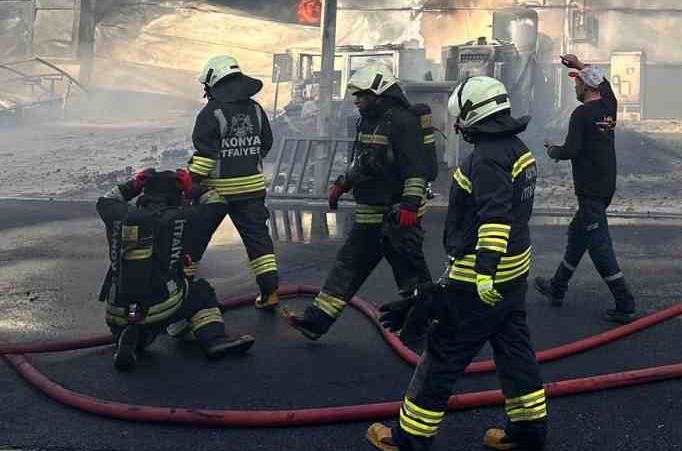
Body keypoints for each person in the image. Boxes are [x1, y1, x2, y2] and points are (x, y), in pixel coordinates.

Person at [367, 74, 546, 451]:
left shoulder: (485, 158)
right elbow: (507, 210)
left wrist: (482, 274)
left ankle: (409, 438)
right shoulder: (517, 149)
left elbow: (495, 217)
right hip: (514, 275)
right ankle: (529, 431)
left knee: (443, 355)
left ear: (470, 114)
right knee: (515, 353)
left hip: (481, 280)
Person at [284, 62, 434, 340]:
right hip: (369, 211)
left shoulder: (403, 122)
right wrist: (344, 183)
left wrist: (411, 206)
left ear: (379, 93)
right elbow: (364, 161)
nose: (356, 100)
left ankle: (428, 326)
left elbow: (417, 169)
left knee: (410, 276)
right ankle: (317, 321)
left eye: (361, 95)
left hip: (397, 215)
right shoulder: (368, 120)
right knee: (349, 265)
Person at [96, 168, 256, 370]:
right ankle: (215, 339)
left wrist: (133, 185)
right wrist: (193, 189)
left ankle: (131, 338)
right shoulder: (185, 216)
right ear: (177, 195)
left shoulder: (120, 214)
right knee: (201, 291)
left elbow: (104, 200)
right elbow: (218, 205)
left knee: (155, 310)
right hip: (161, 307)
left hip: (116, 314)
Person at [533, 54, 637, 323]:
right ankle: (557, 287)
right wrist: (579, 65)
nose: (575, 87)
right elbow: (606, 86)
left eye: (577, 82)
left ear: (586, 87)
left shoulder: (581, 114)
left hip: (589, 188)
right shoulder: (609, 106)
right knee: (577, 235)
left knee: (599, 246)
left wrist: (552, 150)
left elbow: (571, 150)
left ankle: (624, 302)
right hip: (605, 186)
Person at [184, 54, 280, 308]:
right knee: (259, 241)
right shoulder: (256, 110)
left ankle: (180, 293)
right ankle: (270, 293)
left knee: (194, 240)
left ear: (212, 84)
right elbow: (266, 144)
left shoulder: (211, 112)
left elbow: (205, 156)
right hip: (252, 191)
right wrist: (246, 160)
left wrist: (189, 183)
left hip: (216, 194)